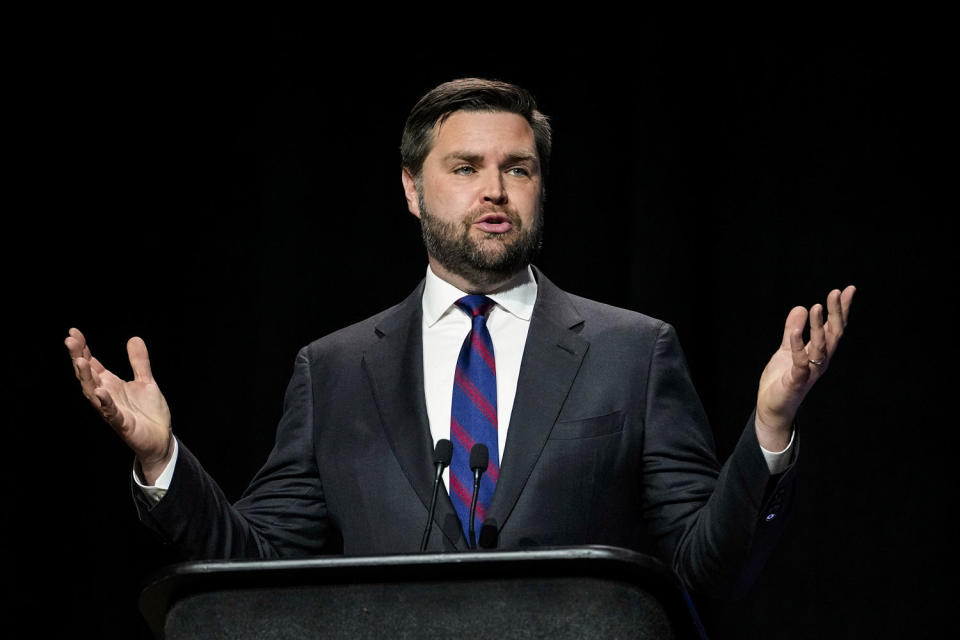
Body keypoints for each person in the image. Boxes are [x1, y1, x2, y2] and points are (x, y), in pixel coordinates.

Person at [64, 78, 854, 599]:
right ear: (412, 189)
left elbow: (699, 571)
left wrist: (769, 431)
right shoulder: (334, 371)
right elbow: (261, 565)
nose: (494, 191)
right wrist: (162, 461)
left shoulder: (634, 352)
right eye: (466, 167)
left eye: (519, 168)